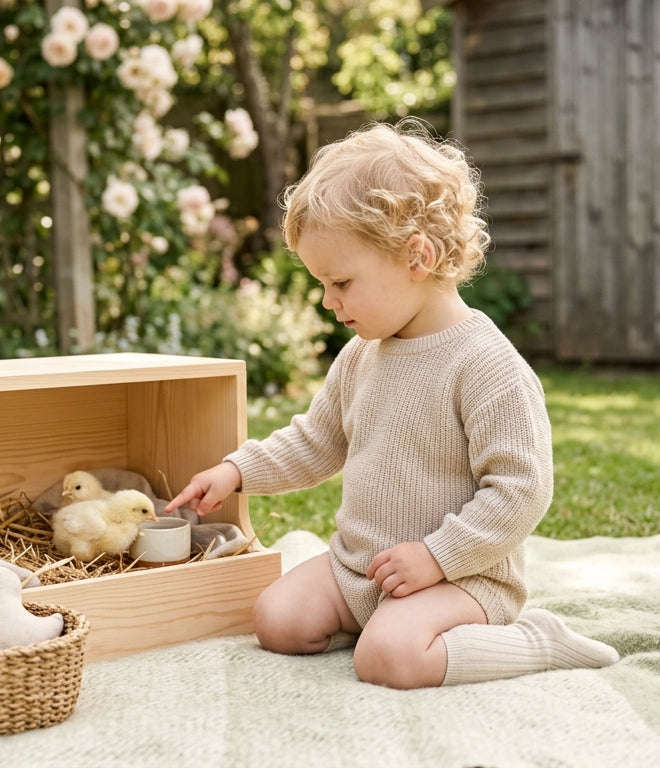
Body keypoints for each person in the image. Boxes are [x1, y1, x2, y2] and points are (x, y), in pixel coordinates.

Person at [164, 118, 619, 689]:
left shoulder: (487, 365)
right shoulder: (362, 356)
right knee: (276, 619)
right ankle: (383, 622)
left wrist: (437, 557)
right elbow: (317, 440)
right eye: (322, 285)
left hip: (461, 576)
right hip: (364, 568)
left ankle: (533, 640)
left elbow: (522, 491)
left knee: (387, 661)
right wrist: (237, 471)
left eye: (342, 282)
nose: (329, 301)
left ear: (417, 256)